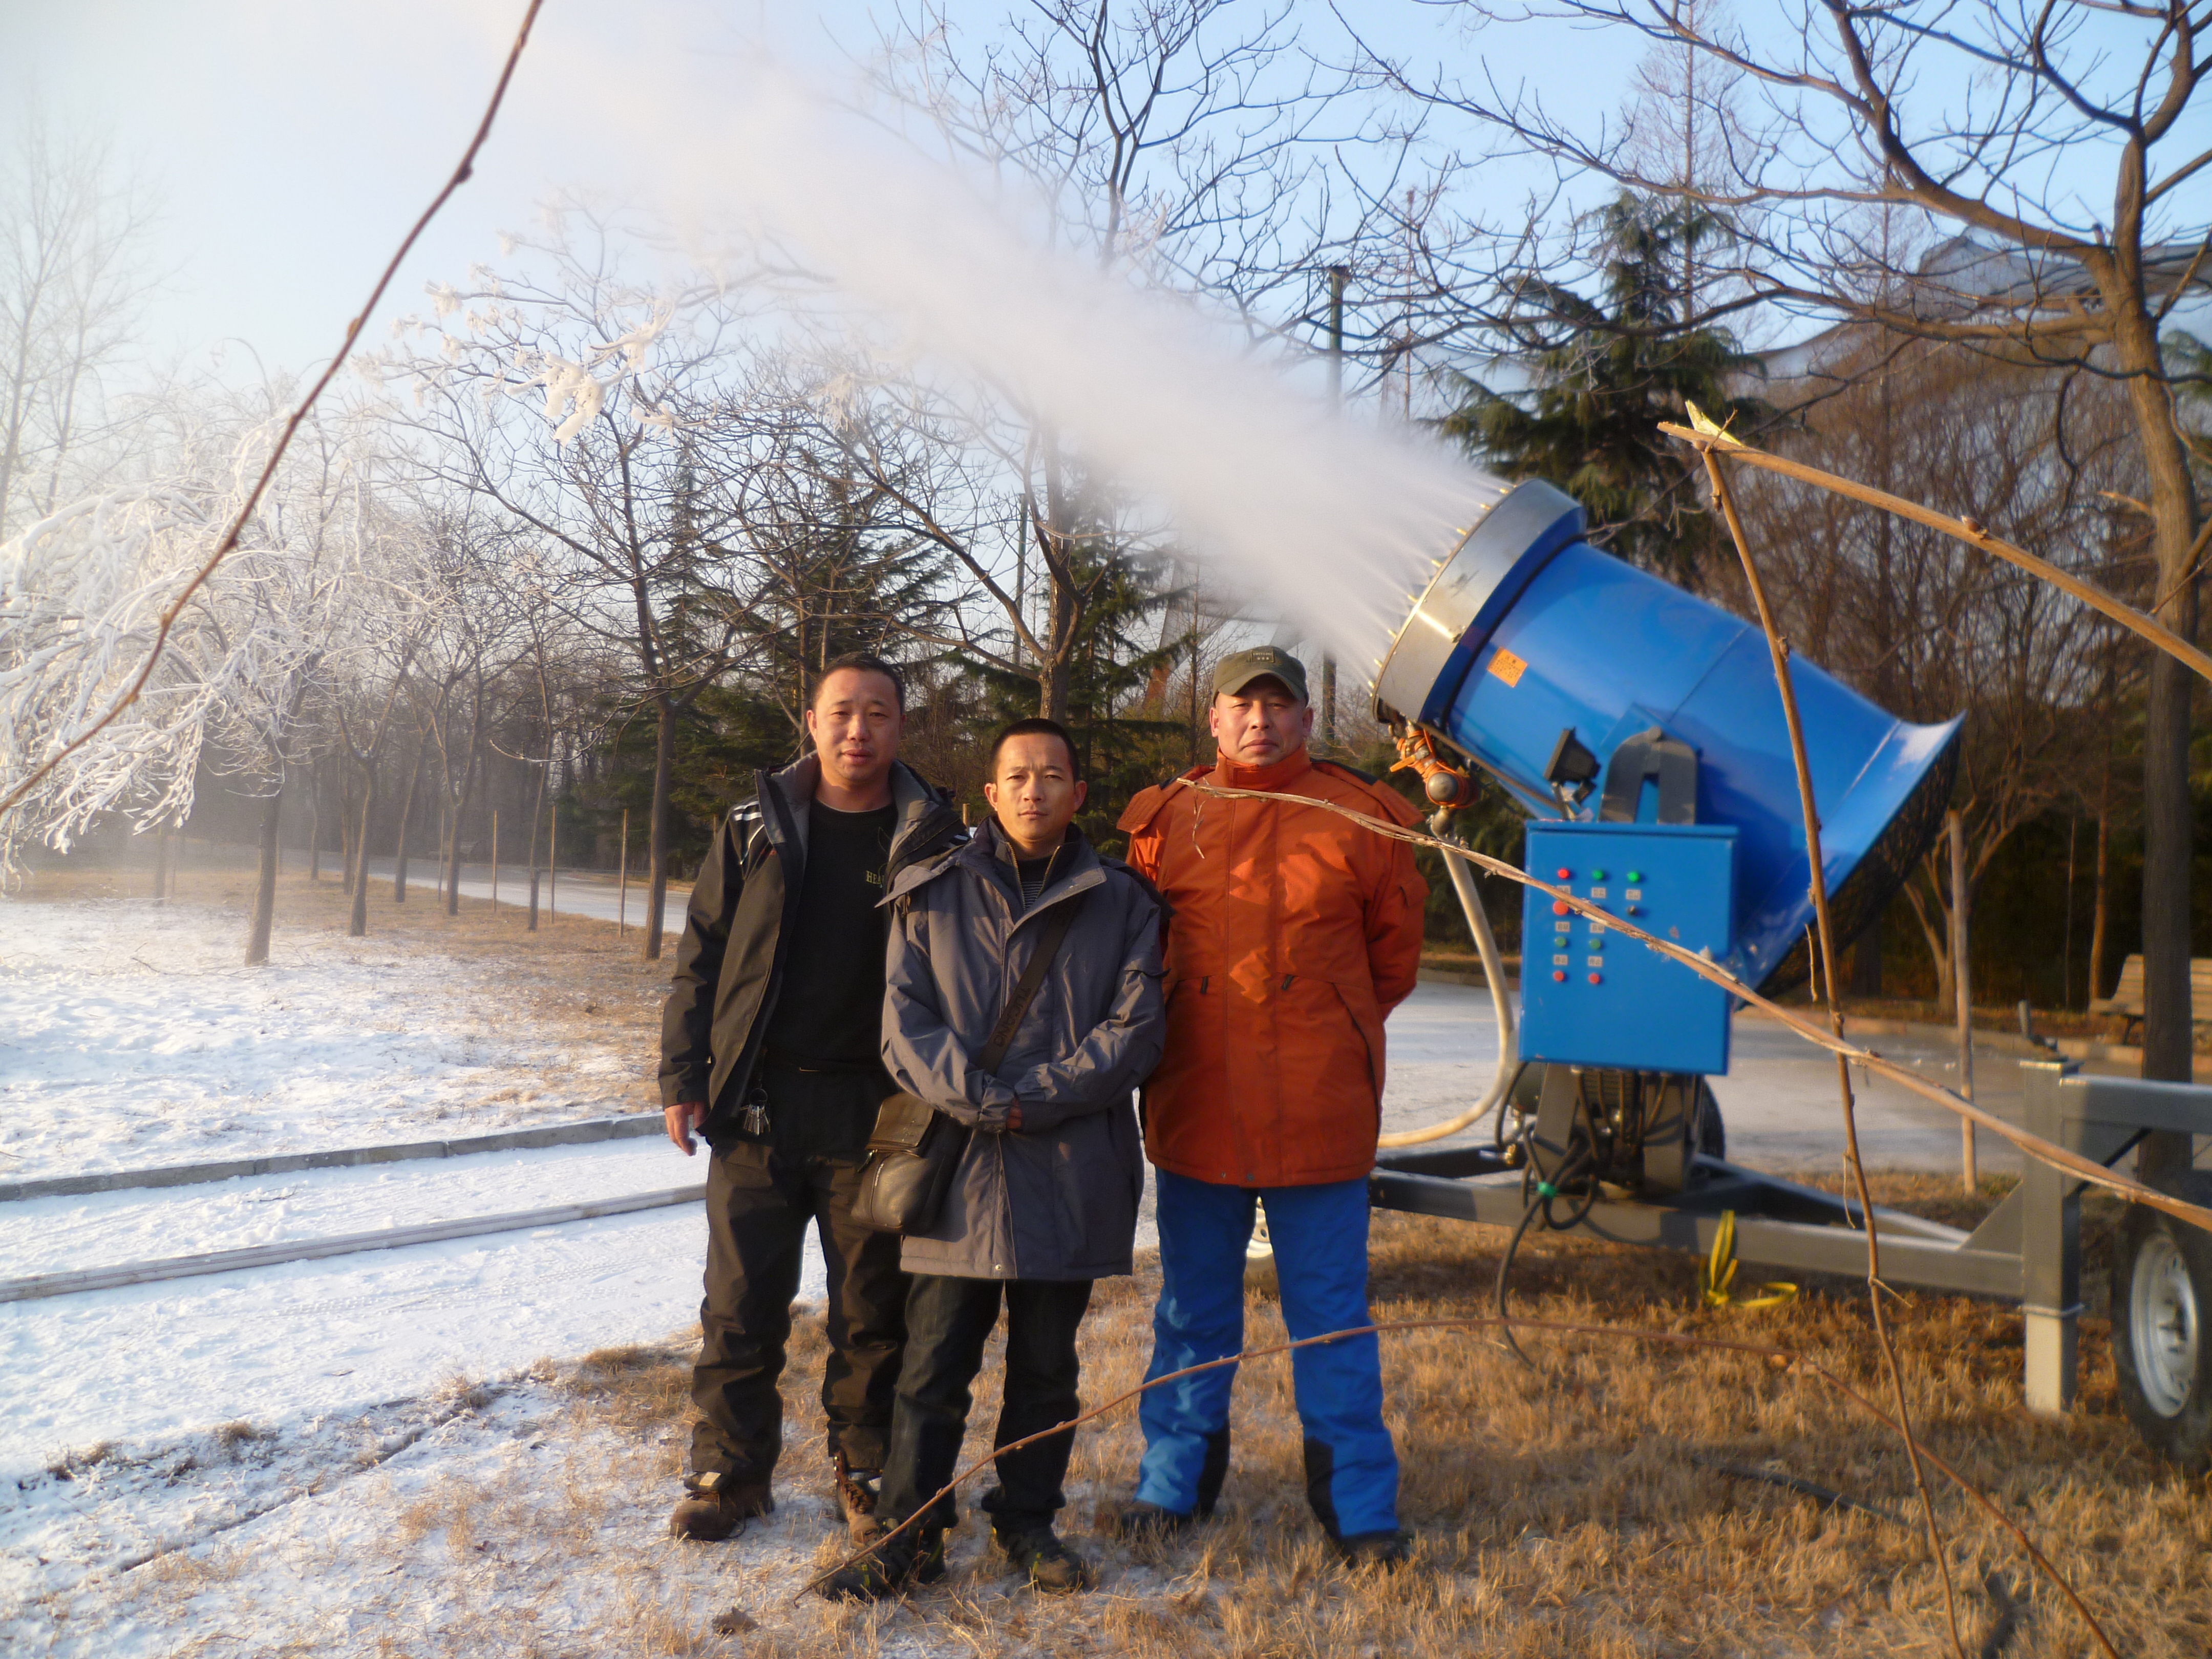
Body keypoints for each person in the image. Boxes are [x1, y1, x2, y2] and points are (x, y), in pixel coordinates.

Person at [819, 717, 1165, 1601]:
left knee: (1049, 1369)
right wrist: (979, 1097)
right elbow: (904, 1024)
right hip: (959, 1167)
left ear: (1079, 794)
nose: (1034, 790)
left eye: (1053, 775)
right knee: (933, 1363)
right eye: (1017, 775)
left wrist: (1035, 1095)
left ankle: (1029, 1520)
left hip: (1071, 1166)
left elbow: (1134, 1032)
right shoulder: (932, 891)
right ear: (991, 792)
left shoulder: (1123, 902)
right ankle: (908, 1533)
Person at [1113, 646, 1428, 1567]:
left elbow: (1391, 967)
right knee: (1192, 1313)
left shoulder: (1362, 818)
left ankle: (1360, 1510)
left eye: (1277, 705)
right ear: (1212, 719)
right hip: (1196, 1108)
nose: (1259, 720)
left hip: (1319, 1116)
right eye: (1240, 705)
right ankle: (1173, 1487)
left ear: (1304, 720)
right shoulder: (1166, 820)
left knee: (1329, 1315)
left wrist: (1318, 1021)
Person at [660, 653, 963, 1545]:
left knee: (872, 1310)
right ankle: (730, 1473)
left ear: (900, 727)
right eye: (841, 713)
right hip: (756, 1106)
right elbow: (701, 958)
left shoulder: (934, 836)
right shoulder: (755, 825)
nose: (857, 730)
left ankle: (863, 1470)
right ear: (811, 721)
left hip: (878, 1116)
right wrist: (684, 1079)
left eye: (877, 714)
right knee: (740, 1302)